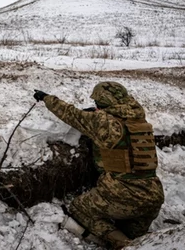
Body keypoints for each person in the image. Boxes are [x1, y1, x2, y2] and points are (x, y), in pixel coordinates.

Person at [33, 82, 164, 249]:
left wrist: (46, 98)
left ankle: (125, 245)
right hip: (153, 196)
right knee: (131, 233)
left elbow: (70, 114)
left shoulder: (104, 123)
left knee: (79, 208)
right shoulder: (138, 120)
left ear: (103, 102)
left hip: (126, 195)